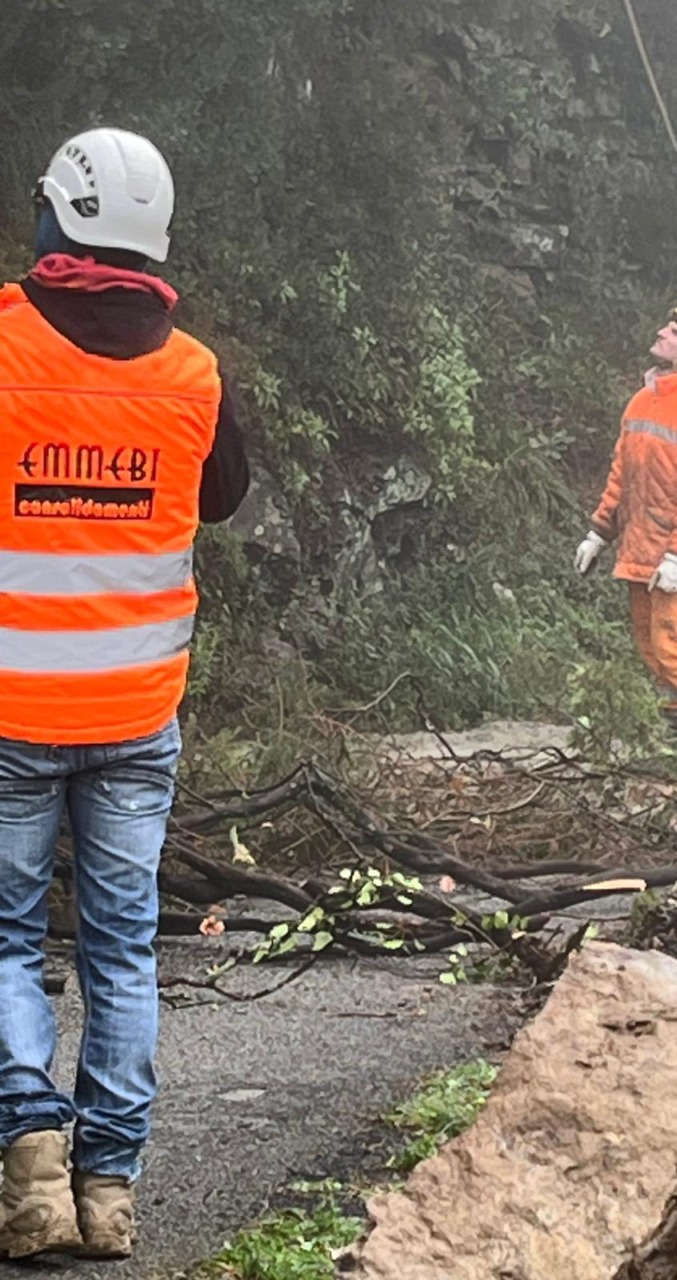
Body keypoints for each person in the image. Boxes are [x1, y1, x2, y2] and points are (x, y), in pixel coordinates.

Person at [0, 128, 249, 1260]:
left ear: (56, 218)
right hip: (136, 717)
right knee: (123, 949)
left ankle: (31, 1168)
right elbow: (225, 494)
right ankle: (109, 1193)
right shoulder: (195, 374)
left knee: (5, 940)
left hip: (10, 714)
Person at [575, 303, 677, 733]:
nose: (662, 332)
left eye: (673, 329)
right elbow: (621, 476)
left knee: (675, 645)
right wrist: (598, 532)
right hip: (641, 549)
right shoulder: (642, 401)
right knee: (650, 647)